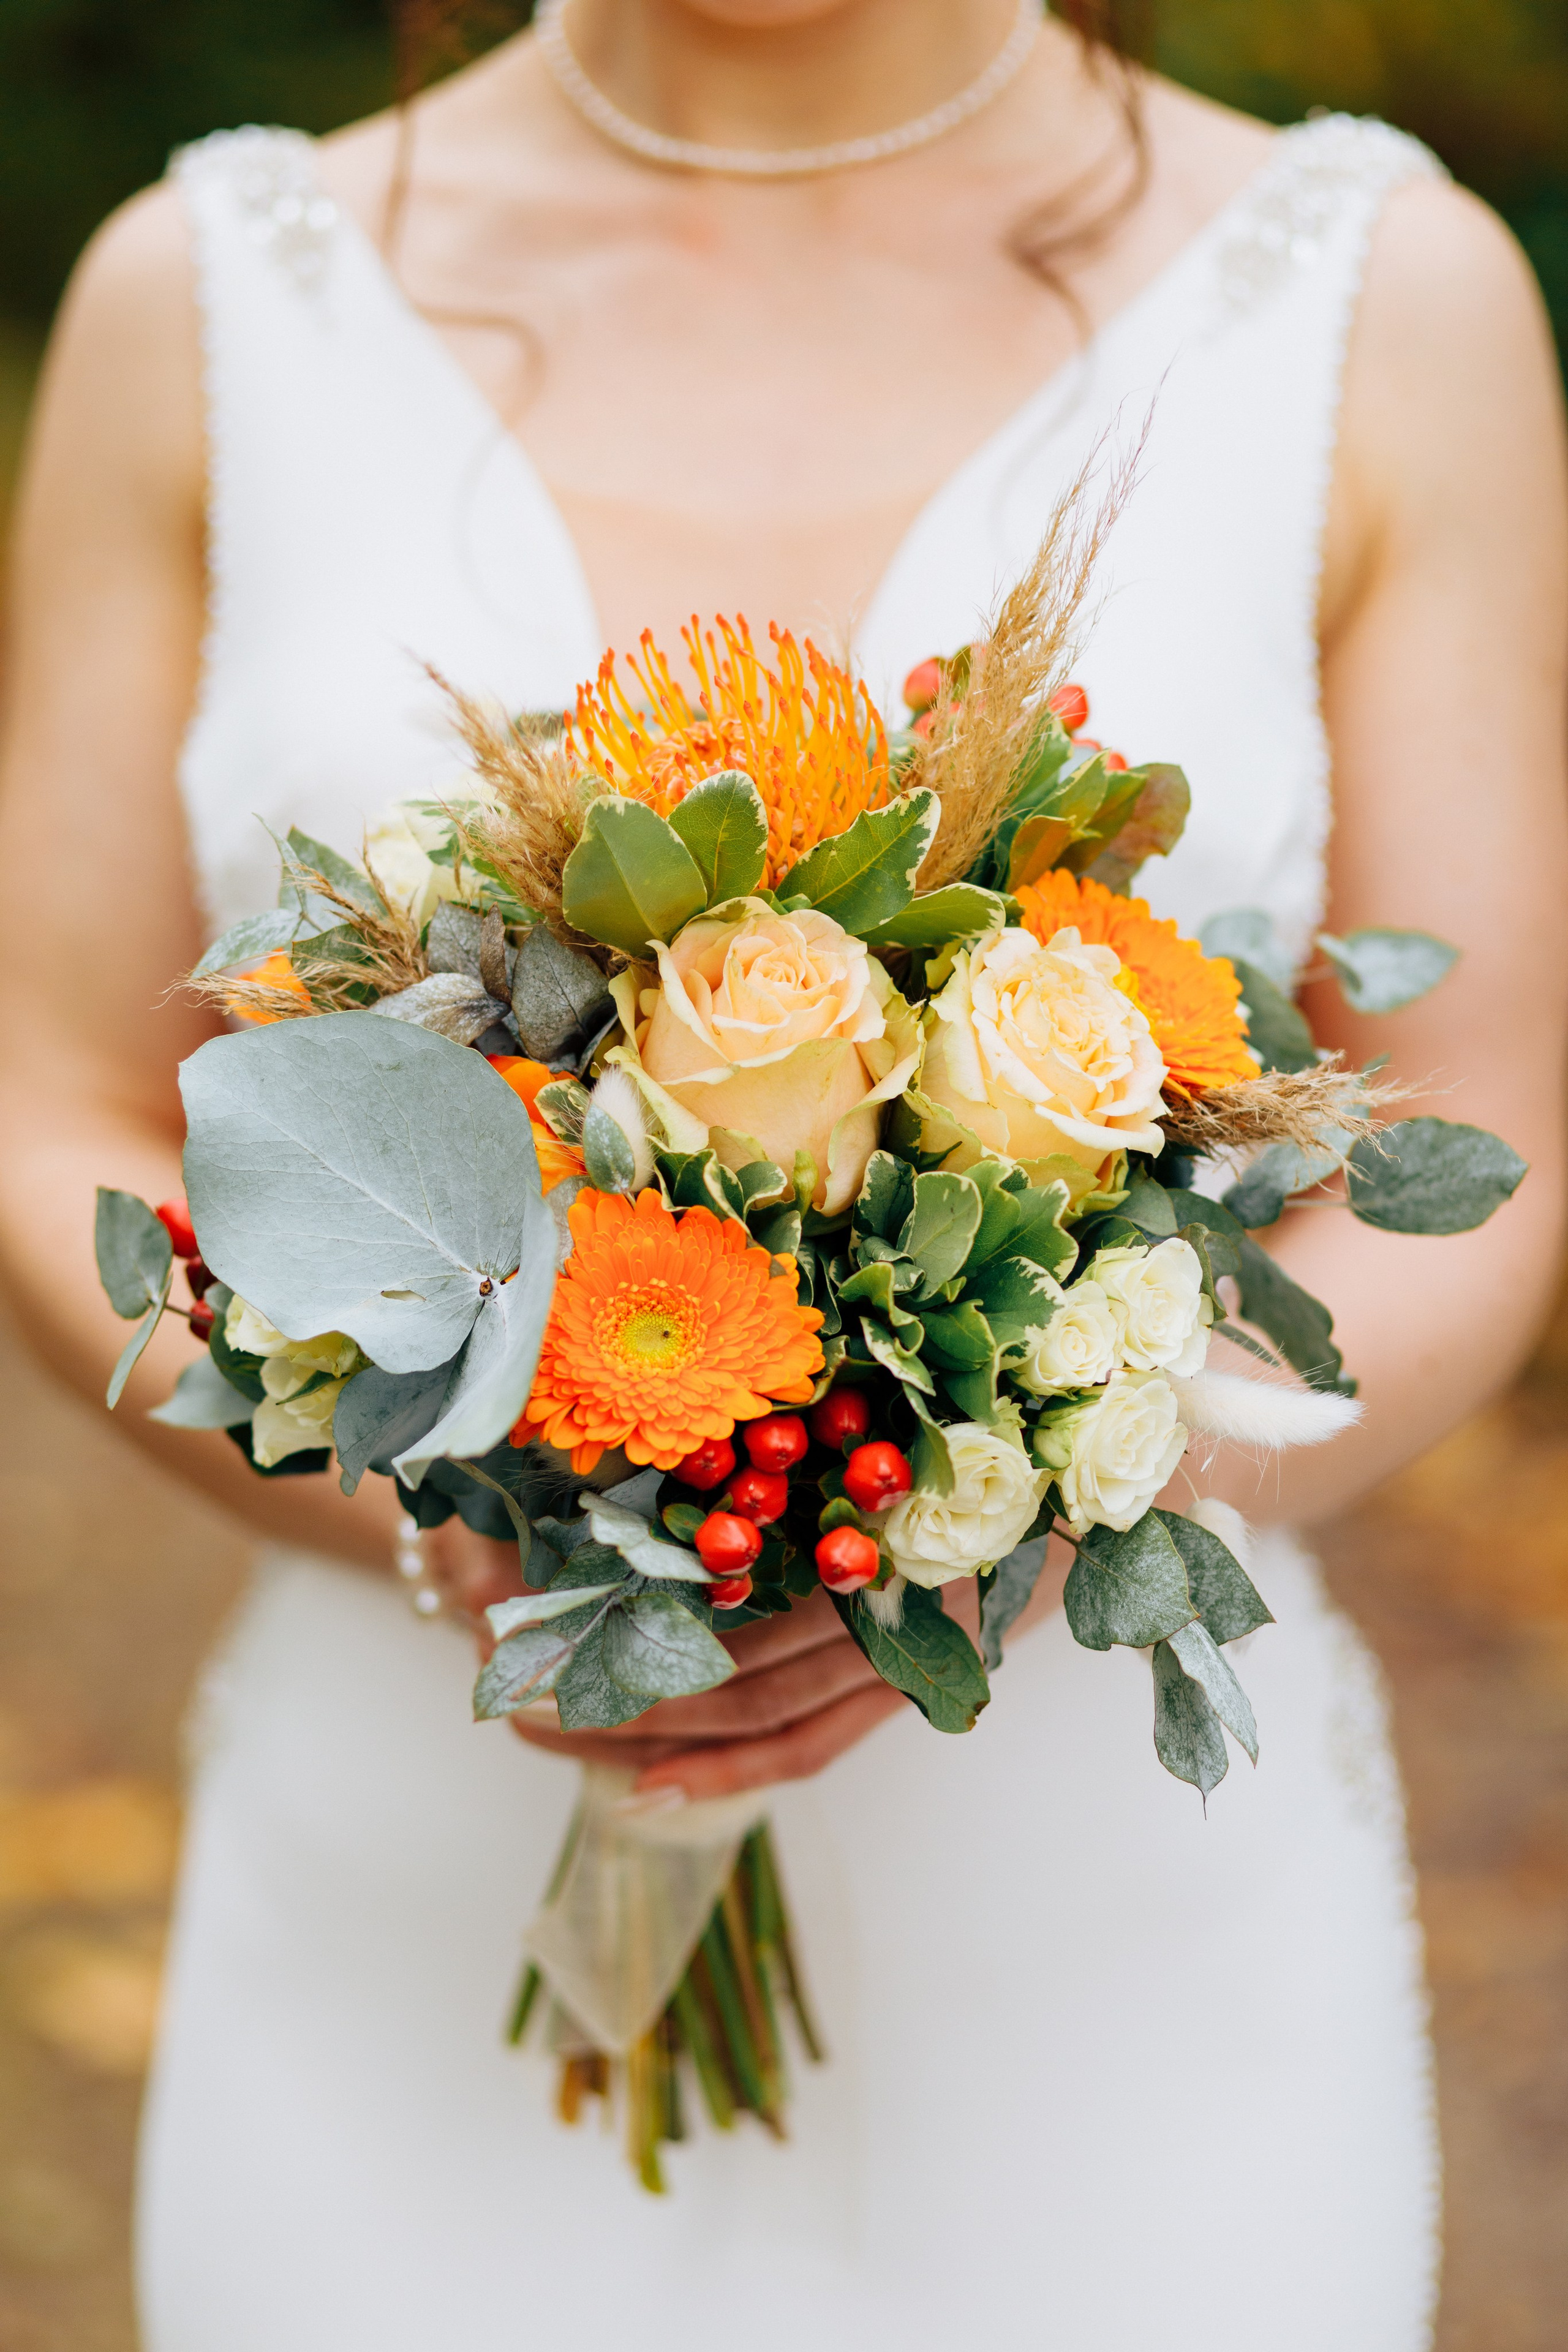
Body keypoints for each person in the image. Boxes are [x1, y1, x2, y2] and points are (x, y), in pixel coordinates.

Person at [0, 2, 1563, 2345]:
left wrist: (1018, 1506)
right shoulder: (203, 296)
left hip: (1102, 1928)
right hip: (409, 1856)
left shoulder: (1382, 289)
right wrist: (470, 1532)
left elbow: (1483, 1134)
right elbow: (58, 1104)